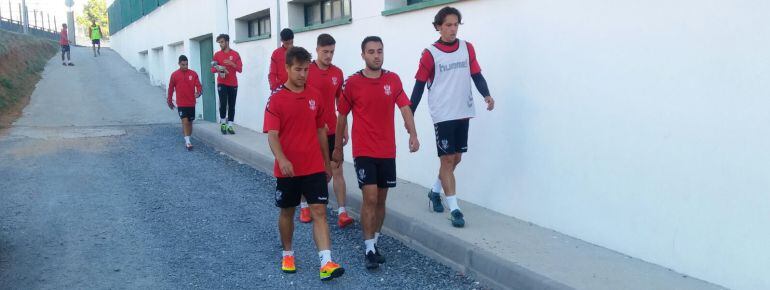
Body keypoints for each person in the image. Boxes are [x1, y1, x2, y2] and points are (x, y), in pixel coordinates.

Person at [332, 36, 419, 270]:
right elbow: (341, 116)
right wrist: (338, 147)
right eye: (371, 52)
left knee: (381, 200)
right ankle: (369, 247)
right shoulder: (352, 83)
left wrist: (413, 133)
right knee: (369, 197)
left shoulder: (393, 79)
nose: (376, 55)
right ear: (363, 55)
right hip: (364, 150)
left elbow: (404, 107)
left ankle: (375, 241)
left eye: (379, 51)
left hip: (387, 150)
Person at [409, 7, 495, 228]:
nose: (452, 29)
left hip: (463, 111)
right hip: (443, 113)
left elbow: (476, 74)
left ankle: (434, 192)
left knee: (456, 159)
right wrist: (410, 111)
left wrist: (486, 94)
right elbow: (419, 84)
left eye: (456, 24)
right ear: (438, 27)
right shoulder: (430, 53)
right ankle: (455, 209)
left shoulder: (467, 48)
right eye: (448, 25)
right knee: (447, 160)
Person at [263, 46, 344, 281]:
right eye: (298, 69)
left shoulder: (314, 95)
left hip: (313, 167)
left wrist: (327, 164)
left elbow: (321, 131)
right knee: (287, 212)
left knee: (319, 211)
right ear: (287, 68)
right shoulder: (276, 98)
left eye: (306, 69)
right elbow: (272, 135)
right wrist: (281, 158)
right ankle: (288, 253)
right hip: (288, 169)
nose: (303, 74)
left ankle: (326, 261)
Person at [307, 33, 353, 228]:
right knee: (310, 170)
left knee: (337, 169)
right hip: (311, 129)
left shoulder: (337, 72)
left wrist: (344, 128)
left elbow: (341, 103)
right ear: (317, 50)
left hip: (333, 128)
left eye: (332, 52)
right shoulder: (306, 70)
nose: (328, 55)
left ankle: (342, 212)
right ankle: (305, 206)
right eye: (325, 51)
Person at [167, 55, 202, 151]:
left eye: (186, 64)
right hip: (181, 103)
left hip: (191, 103)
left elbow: (199, 86)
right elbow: (170, 88)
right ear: (179, 64)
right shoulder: (174, 75)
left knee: (190, 122)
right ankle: (187, 142)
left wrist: (198, 93)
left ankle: (188, 138)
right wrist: (169, 100)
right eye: (183, 65)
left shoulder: (193, 74)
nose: (185, 66)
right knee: (185, 121)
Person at [211, 34, 242, 135]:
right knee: (223, 103)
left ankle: (230, 125)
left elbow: (240, 69)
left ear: (227, 42)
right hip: (222, 82)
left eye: (222, 42)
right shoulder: (217, 55)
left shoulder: (236, 54)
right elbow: (212, 69)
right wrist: (219, 69)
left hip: (233, 83)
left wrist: (231, 63)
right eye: (219, 42)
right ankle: (223, 123)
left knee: (232, 105)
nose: (220, 44)